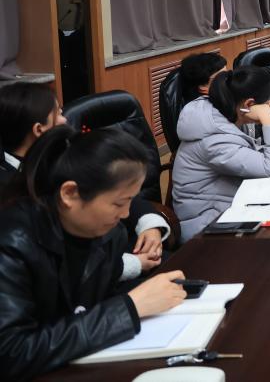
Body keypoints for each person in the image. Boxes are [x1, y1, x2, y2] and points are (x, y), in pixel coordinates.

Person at [0, 127, 188, 380]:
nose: (126, 214)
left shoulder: (107, 234)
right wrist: (131, 307)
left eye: (130, 201)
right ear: (69, 194)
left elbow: (97, 303)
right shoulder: (12, 242)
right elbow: (12, 353)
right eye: (119, 203)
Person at [0, 82, 170, 280]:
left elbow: (119, 192)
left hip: (119, 249)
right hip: (98, 272)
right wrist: (135, 264)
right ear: (39, 129)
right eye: (58, 113)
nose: (65, 120)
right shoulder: (10, 192)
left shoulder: (65, 154)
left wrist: (149, 224)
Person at [173, 67, 270, 241]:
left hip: (231, 206)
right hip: (208, 225)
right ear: (249, 105)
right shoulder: (214, 140)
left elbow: (244, 148)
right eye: (266, 103)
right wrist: (267, 118)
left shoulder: (224, 110)